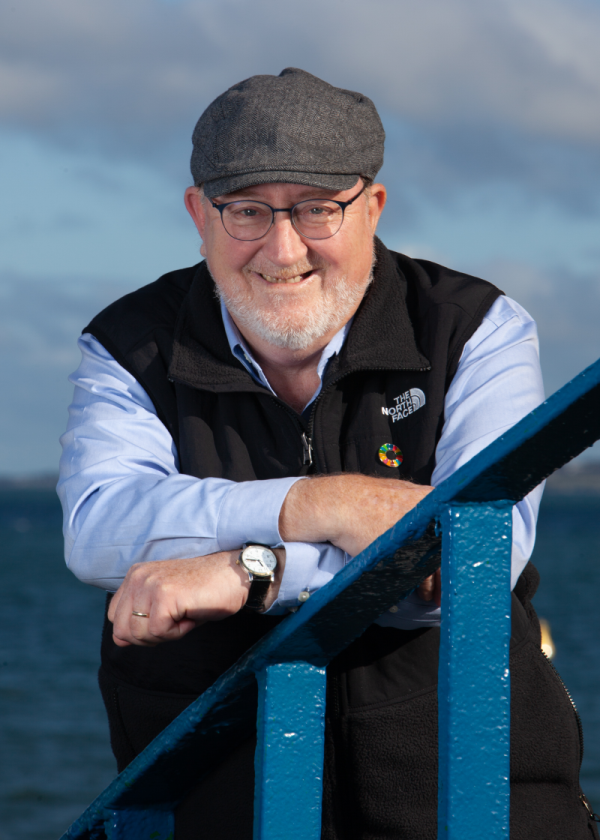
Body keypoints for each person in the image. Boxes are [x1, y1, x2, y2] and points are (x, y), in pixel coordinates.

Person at [58, 68, 597, 839]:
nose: (282, 250)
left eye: (318, 209)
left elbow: (479, 563)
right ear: (197, 215)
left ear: (370, 207)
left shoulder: (477, 327)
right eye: (246, 210)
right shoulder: (128, 343)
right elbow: (100, 526)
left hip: (473, 800)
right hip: (220, 808)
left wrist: (251, 572)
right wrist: (316, 506)